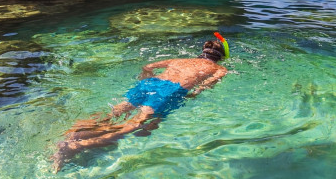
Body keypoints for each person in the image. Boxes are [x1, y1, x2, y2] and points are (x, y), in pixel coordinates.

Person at [51, 36, 230, 171]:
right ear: (220, 57)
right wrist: (192, 95)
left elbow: (149, 67)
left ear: (203, 52)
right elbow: (203, 87)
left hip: (149, 84)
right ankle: (75, 147)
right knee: (133, 126)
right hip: (170, 91)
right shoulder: (219, 69)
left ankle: (71, 136)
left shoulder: (179, 60)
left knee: (112, 113)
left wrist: (145, 82)